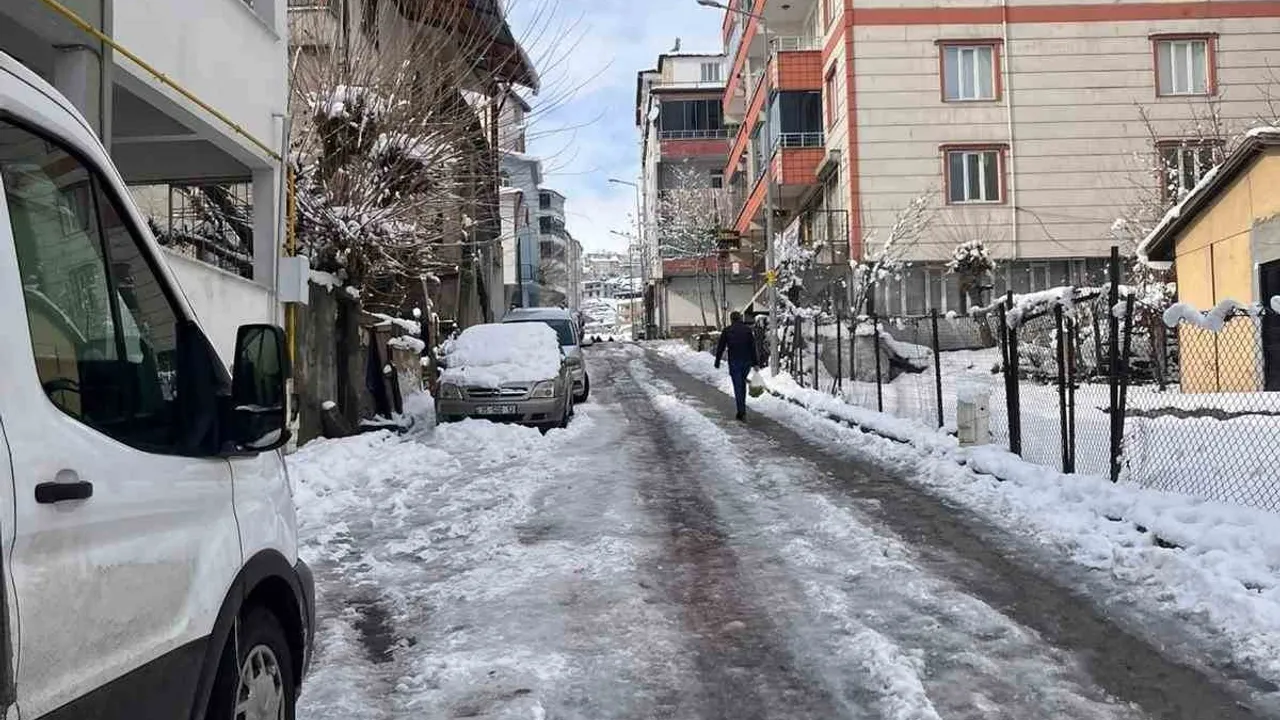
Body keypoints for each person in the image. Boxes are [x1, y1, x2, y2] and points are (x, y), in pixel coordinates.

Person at [714, 311, 759, 421]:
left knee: (738, 386)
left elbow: (721, 347)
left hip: (734, 362)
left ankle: (741, 411)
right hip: (746, 361)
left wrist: (717, 360)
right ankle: (742, 408)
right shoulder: (747, 331)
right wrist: (755, 363)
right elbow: (753, 347)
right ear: (740, 318)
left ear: (731, 319)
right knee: (742, 384)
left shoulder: (727, 331)